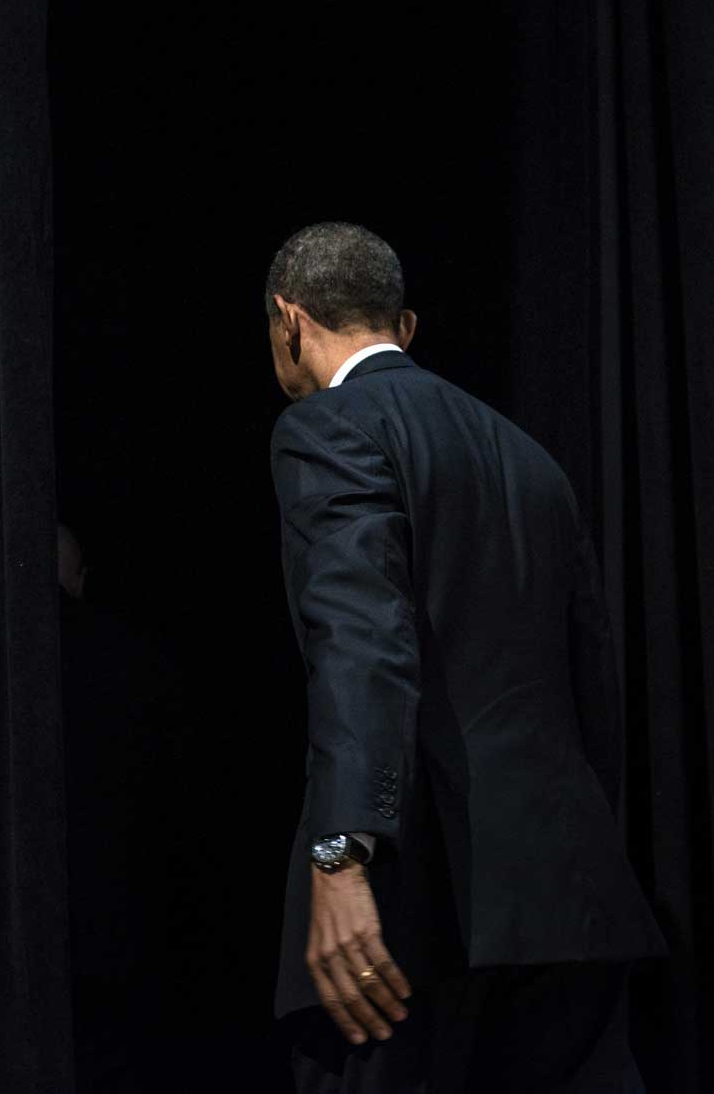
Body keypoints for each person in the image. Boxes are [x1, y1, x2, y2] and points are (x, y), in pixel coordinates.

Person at [264, 223, 665, 1092]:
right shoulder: (531, 459)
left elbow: (362, 642)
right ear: (404, 327)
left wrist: (342, 852)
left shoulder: (325, 427)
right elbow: (593, 689)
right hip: (569, 906)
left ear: (288, 322)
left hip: (418, 921)